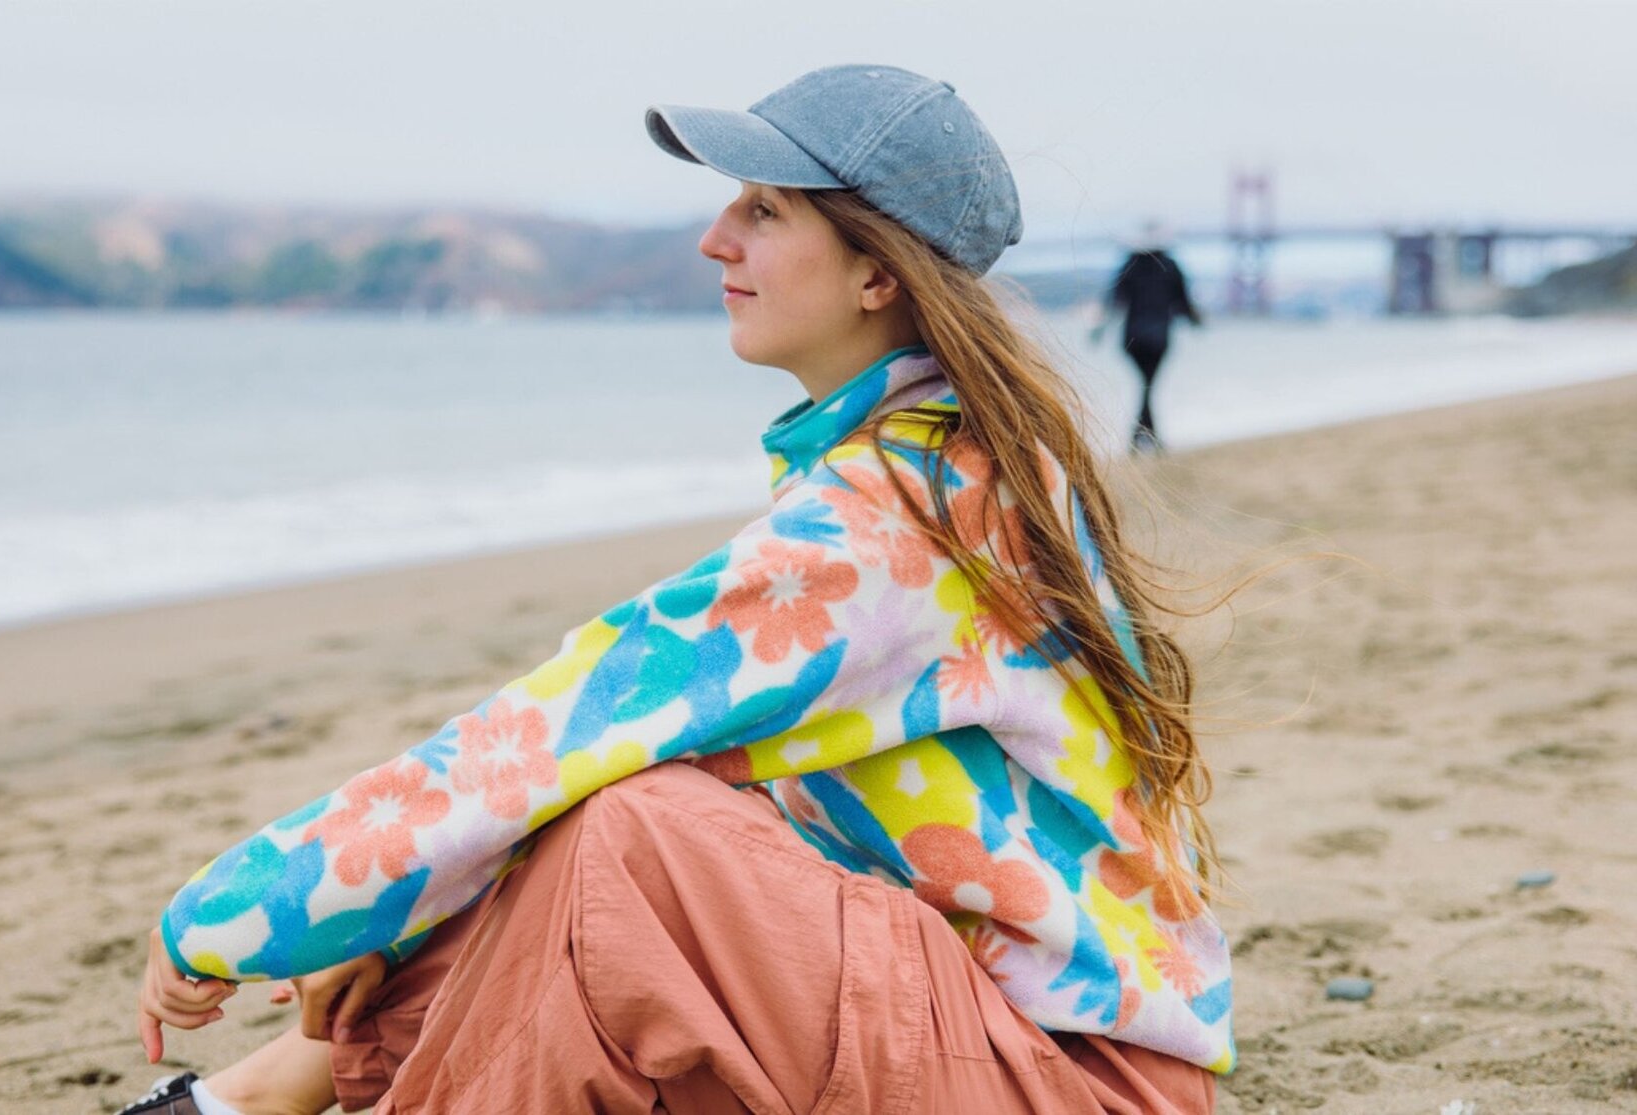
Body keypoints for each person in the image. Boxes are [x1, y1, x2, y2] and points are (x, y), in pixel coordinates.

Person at [125, 64, 1232, 1115]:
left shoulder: (897, 520)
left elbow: (572, 719)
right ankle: (252, 1096)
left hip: (1059, 1077)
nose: (715, 238)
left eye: (764, 210)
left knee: (633, 832)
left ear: (876, 273)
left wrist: (229, 913)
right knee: (601, 819)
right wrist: (400, 915)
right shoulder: (948, 460)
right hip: (975, 1032)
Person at [1100, 227, 1202, 453]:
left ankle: (1141, 436)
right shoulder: (1171, 266)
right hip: (1159, 338)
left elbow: (1115, 302)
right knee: (1148, 385)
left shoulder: (1130, 265)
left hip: (1132, 339)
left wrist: (1099, 331)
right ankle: (1145, 436)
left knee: (1145, 385)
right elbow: (1184, 303)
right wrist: (1197, 323)